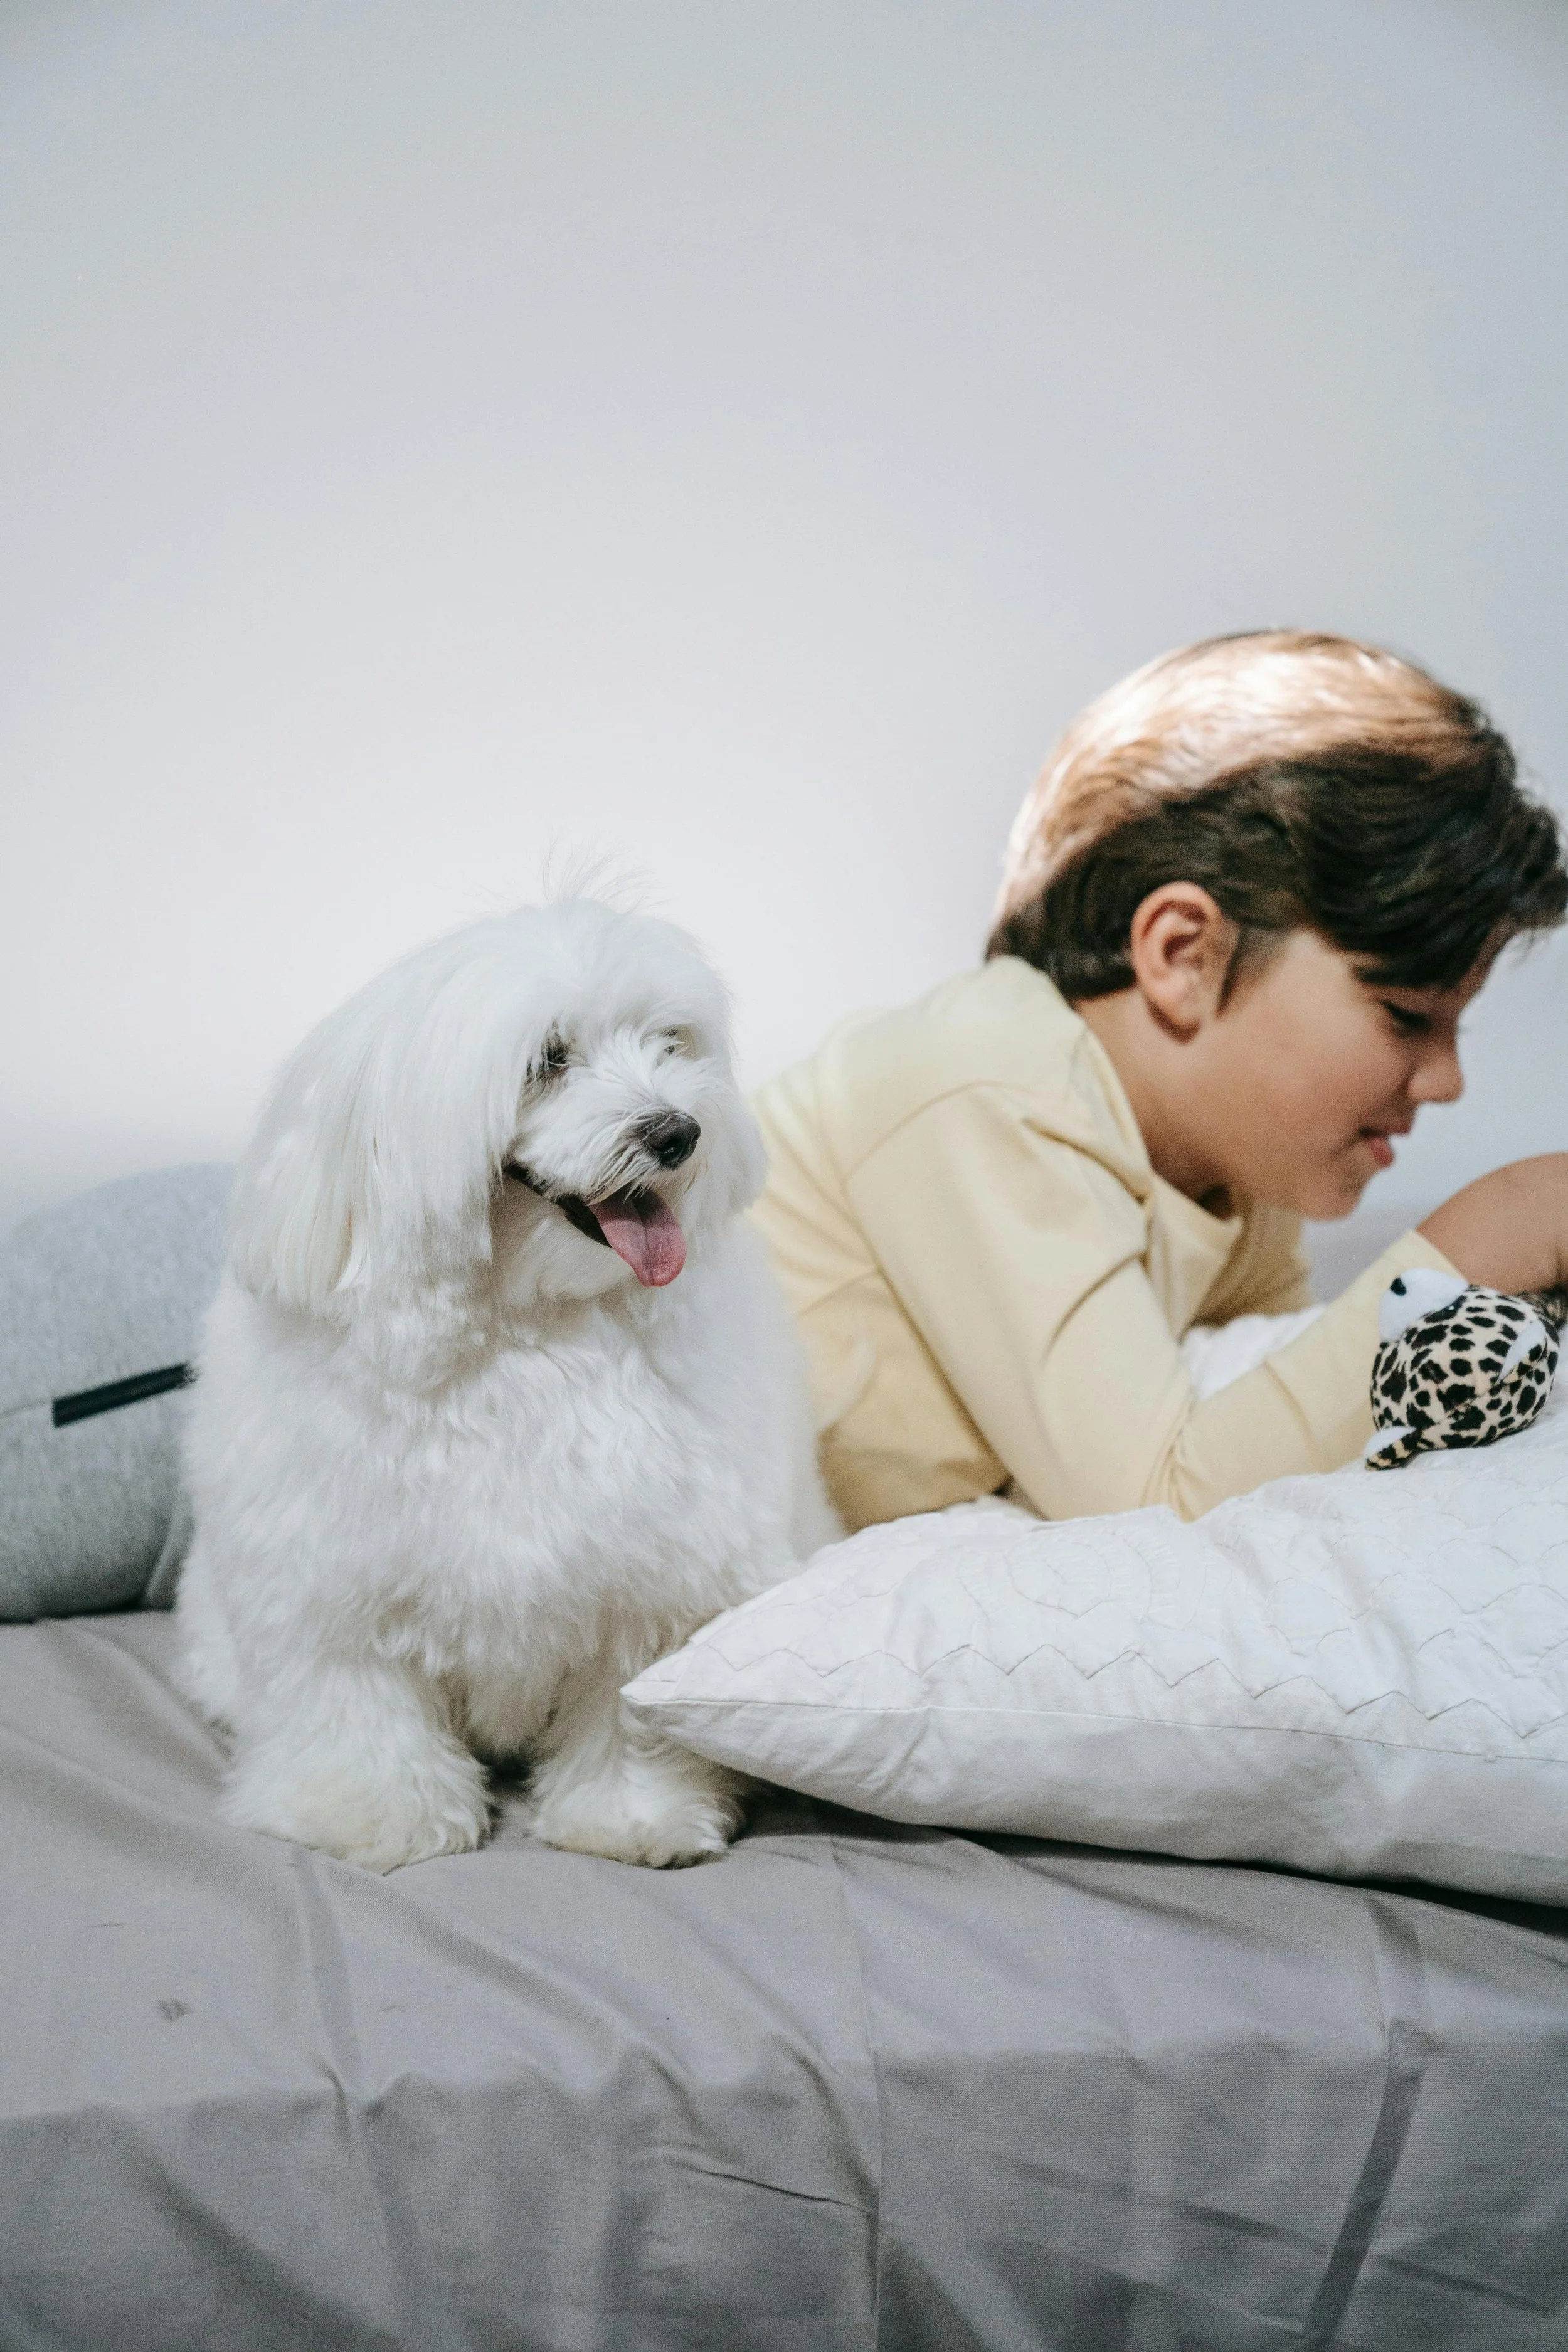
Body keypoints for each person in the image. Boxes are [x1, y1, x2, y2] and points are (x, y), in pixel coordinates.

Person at [751, 630, 1568, 1532]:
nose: (1448, 1079)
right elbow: (1151, 1508)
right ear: (1183, 953)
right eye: (1406, 1014)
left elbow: (1288, 1438)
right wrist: (1501, 1228)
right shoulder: (991, 1079)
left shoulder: (1240, 1183)